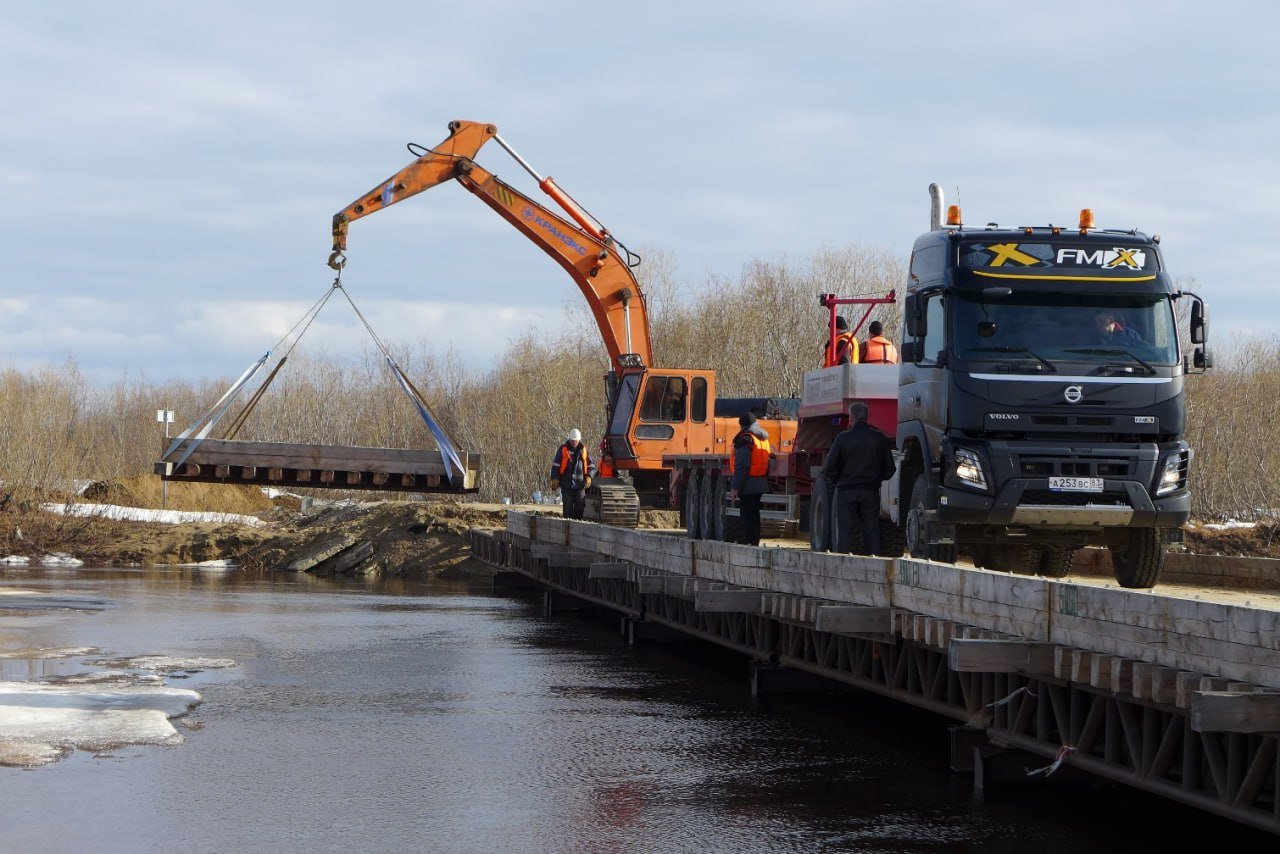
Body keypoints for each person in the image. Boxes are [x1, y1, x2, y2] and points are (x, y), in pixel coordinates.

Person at [822, 401, 896, 556]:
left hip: (846, 491)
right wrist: (876, 479)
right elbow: (890, 469)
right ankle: (873, 563)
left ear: (851, 418)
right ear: (867, 417)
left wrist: (839, 481)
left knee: (845, 531)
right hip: (870, 491)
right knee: (871, 530)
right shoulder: (879, 438)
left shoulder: (842, 438)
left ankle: (843, 563)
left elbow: (829, 468)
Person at [728, 412, 771, 546]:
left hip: (747, 484)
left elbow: (741, 466)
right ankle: (754, 543)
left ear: (742, 426)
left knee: (746, 516)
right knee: (755, 515)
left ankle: (749, 544)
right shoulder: (762, 438)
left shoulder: (745, 439)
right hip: (760, 483)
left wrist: (735, 487)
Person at [550, 428, 593, 520]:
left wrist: (589, 476)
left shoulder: (584, 450)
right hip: (566, 484)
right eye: (572, 440)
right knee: (568, 509)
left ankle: (577, 524)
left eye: (576, 440)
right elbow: (555, 466)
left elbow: (591, 466)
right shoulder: (562, 450)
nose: (574, 442)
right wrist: (555, 478)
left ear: (579, 439)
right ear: (569, 439)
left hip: (580, 484)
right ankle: (568, 528)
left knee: (580, 506)